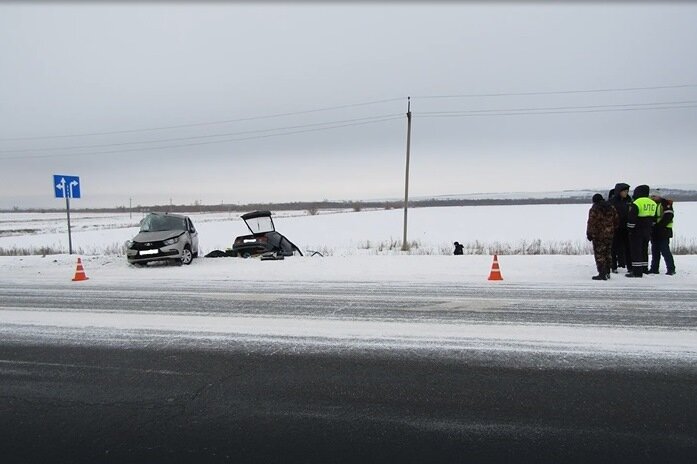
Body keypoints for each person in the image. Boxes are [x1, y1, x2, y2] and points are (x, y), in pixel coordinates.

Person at [626, 185, 657, 278]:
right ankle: (644, 269)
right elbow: (654, 219)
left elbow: (632, 218)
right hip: (647, 230)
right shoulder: (653, 203)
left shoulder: (636, 203)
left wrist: (630, 229)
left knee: (636, 251)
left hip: (637, 231)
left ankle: (637, 272)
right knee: (644, 250)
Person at [586, 193, 619, 280]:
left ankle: (602, 273)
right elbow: (616, 220)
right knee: (608, 253)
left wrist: (589, 233)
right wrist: (612, 229)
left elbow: (591, 222)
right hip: (610, 235)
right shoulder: (611, 207)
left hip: (598, 235)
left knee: (600, 254)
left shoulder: (595, 209)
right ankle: (608, 272)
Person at [649, 190, 676, 275]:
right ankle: (654, 268)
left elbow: (669, 216)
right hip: (654, 231)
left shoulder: (665, 204)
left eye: (654, 196)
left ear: (659, 196)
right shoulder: (652, 204)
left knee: (665, 251)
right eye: (652, 196)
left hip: (664, 231)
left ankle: (671, 269)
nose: (653, 198)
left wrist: (658, 225)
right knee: (655, 251)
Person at [609, 183, 632, 273]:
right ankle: (613, 266)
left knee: (628, 248)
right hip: (616, 227)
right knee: (613, 248)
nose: (626, 193)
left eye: (627, 191)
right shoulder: (612, 201)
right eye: (624, 191)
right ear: (619, 191)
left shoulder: (629, 200)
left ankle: (630, 267)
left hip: (626, 227)